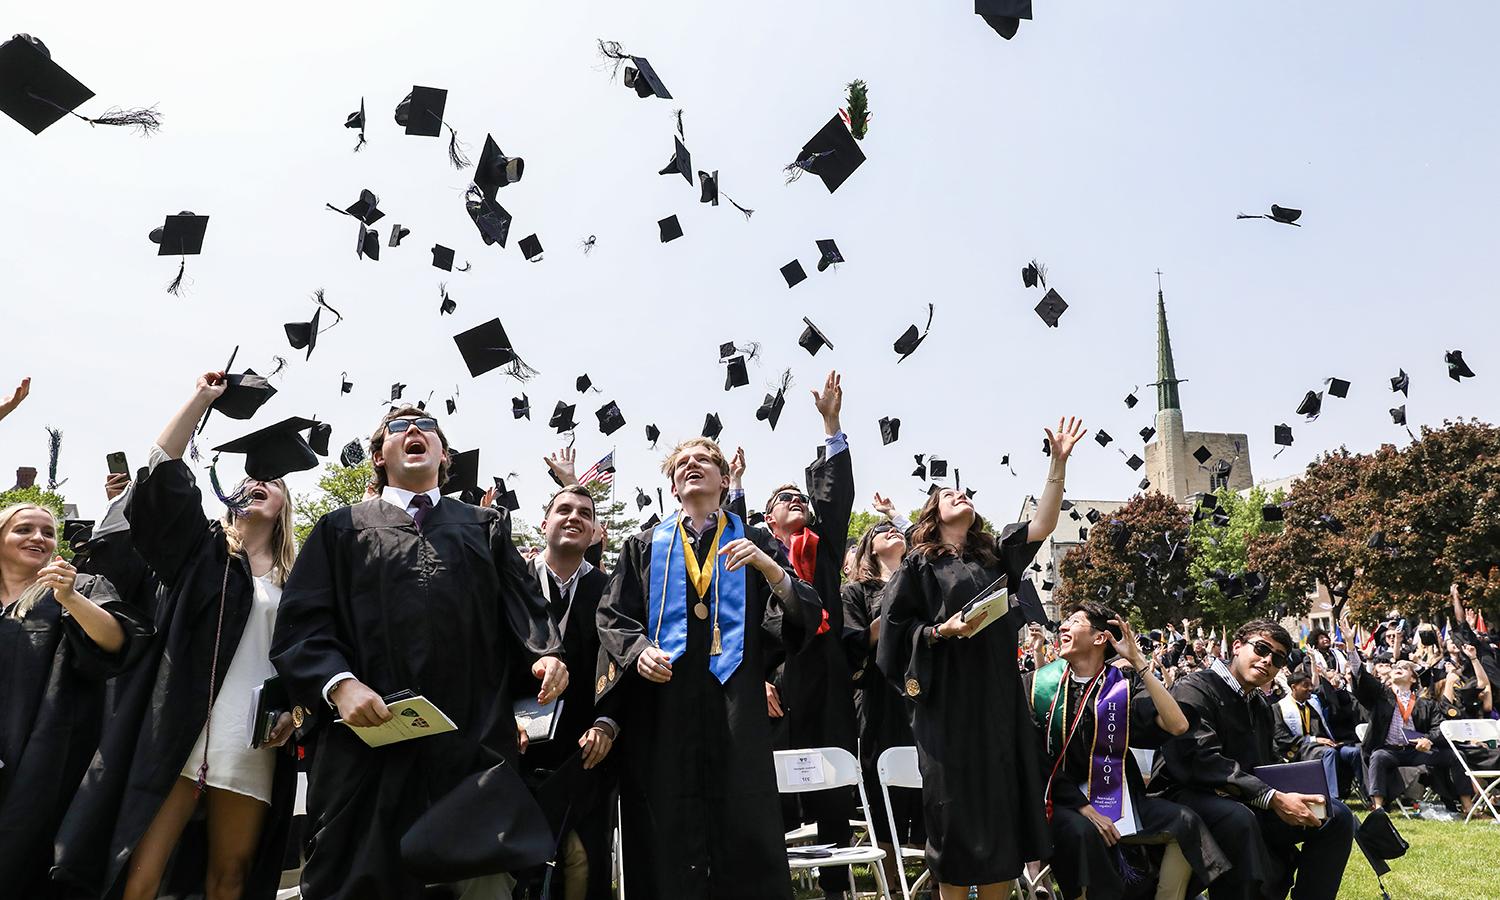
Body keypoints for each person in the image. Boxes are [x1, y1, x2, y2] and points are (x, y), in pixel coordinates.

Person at [271, 405, 567, 900]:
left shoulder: (484, 526)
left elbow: (526, 610)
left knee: (478, 885)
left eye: (426, 427)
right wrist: (338, 684)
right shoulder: (340, 529)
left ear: (443, 455)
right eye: (398, 428)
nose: (414, 430)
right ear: (379, 456)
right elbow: (303, 623)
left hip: (469, 750)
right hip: (367, 752)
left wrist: (545, 654)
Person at [53, 372, 302, 900]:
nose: (262, 483)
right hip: (180, 724)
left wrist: (296, 712)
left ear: (285, 505)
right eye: (254, 478)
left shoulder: (301, 582)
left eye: (275, 482)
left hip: (252, 736)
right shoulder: (203, 553)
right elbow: (161, 477)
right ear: (232, 492)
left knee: (231, 875)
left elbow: (309, 660)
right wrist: (200, 399)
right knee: (141, 864)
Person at [595, 436, 822, 899]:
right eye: (682, 463)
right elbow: (613, 615)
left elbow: (804, 616)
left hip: (735, 703)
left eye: (703, 460)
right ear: (674, 485)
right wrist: (640, 651)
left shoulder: (755, 539)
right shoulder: (644, 546)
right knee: (666, 823)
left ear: (724, 479)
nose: (692, 466)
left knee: (742, 817)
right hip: (665, 705)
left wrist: (771, 569)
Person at [877, 417, 1087, 900]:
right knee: (954, 815)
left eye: (966, 494)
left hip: (997, 703)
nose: (961, 496)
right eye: (950, 496)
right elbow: (894, 635)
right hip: (948, 707)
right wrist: (938, 631)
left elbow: (1044, 523)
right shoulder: (918, 564)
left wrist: (1058, 463)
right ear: (933, 513)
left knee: (999, 814)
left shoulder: (993, 558)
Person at [1028, 602, 1228, 900]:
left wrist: (1138, 661)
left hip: (1114, 797)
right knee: (1082, 833)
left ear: (1100, 638)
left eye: (1073, 621)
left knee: (1185, 821)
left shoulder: (1120, 687)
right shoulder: (1038, 686)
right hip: (1055, 798)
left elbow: (1177, 725)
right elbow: (1034, 759)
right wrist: (1083, 806)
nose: (1063, 627)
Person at [0, 503, 149, 895]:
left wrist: (68, 597)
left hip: (44, 756)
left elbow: (117, 643)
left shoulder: (79, 585)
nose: (38, 538)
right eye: (24, 529)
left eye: (48, 532)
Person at [749, 370, 857, 900]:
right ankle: (775, 880)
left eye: (800, 495)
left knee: (834, 775)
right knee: (774, 781)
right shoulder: (755, 554)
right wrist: (758, 677)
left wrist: (831, 423)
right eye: (784, 498)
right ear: (768, 520)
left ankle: (837, 885)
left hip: (827, 670)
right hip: (779, 676)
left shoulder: (823, 546)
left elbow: (835, 498)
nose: (797, 500)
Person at [1153, 620, 1354, 900]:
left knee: (1337, 815)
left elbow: (1266, 762)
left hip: (1245, 795)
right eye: (1261, 649)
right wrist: (1272, 797)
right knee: (1239, 819)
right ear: (1237, 646)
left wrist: (1290, 791)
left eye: (1278, 658)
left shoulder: (1258, 704)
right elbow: (1198, 759)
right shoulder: (1194, 688)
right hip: (1187, 792)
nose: (1267, 660)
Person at [516, 479, 619, 900]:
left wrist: (608, 723)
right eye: (564, 509)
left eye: (586, 513)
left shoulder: (610, 590)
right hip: (519, 746)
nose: (575, 516)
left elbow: (619, 664)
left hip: (586, 748)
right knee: (522, 865)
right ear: (544, 524)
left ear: (594, 532)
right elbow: (487, 659)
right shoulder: (514, 583)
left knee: (586, 860)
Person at [841, 513, 922, 893]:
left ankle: (929, 880)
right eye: (881, 531)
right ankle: (890, 883)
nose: (892, 532)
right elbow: (854, 644)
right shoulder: (855, 593)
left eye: (896, 530)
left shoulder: (923, 583)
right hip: (881, 700)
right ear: (869, 549)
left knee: (929, 789)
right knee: (885, 792)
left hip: (926, 696)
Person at [1353, 654, 1476, 816]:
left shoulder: (1426, 704)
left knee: (1456, 755)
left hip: (1417, 751)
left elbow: (1439, 727)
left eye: (1404, 668)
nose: (1398, 669)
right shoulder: (1382, 697)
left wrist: (1428, 739)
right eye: (1396, 667)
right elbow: (1362, 678)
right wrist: (1349, 646)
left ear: (1413, 679)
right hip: (1391, 751)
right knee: (1378, 757)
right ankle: (1378, 809)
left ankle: (1467, 807)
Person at [1272, 665, 1362, 799]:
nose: (1310, 688)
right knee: (1328, 753)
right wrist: (1313, 740)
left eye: (1310, 685)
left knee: (1354, 752)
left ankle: (1371, 796)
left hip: (1324, 745)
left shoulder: (1314, 703)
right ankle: (1331, 798)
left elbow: (1336, 702)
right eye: (1305, 685)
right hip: (1298, 749)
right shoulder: (1279, 707)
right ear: (1293, 687)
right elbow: (1281, 736)